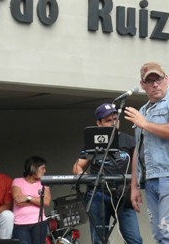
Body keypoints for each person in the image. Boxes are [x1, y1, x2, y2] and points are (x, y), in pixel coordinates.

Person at [124, 61, 169, 244]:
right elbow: (138, 151)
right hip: (151, 178)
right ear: (142, 85)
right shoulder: (143, 111)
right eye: (150, 81)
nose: (155, 84)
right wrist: (133, 186)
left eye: (159, 79)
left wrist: (145, 124)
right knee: (159, 236)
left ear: (167, 79)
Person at [72, 103, 142, 244]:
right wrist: (85, 177)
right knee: (99, 240)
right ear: (99, 123)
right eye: (108, 120)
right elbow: (78, 166)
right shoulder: (92, 142)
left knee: (134, 240)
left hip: (123, 194)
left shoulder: (129, 141)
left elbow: (140, 165)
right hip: (99, 194)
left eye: (115, 119)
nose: (113, 123)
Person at [11, 156, 51, 244]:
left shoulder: (44, 183)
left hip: (39, 222)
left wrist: (28, 198)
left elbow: (46, 202)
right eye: (42, 168)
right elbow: (18, 200)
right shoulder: (17, 181)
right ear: (33, 168)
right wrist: (38, 202)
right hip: (20, 224)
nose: (45, 171)